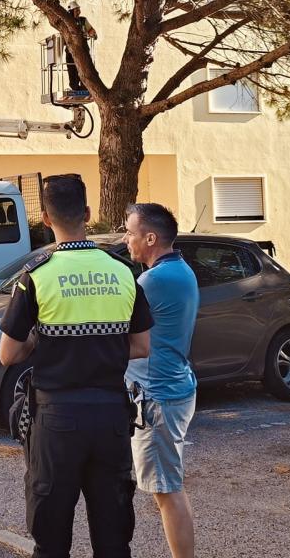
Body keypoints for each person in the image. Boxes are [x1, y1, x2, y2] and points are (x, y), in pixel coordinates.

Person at [0, 174, 152, 558]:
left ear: (47, 220)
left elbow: (8, 354)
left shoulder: (35, 276)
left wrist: (41, 340)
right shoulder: (124, 272)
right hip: (111, 417)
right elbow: (141, 346)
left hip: (56, 419)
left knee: (50, 540)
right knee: (114, 538)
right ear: (87, 213)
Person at [124, 203, 199, 558]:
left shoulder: (152, 281)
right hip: (172, 389)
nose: (126, 240)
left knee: (168, 492)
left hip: (157, 397)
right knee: (166, 488)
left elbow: (119, 330)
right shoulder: (181, 270)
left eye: (130, 232)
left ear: (150, 238)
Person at [64, 5, 97, 95]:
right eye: (76, 10)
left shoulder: (83, 20)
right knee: (72, 69)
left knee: (85, 68)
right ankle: (74, 87)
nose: (79, 12)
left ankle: (84, 87)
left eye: (79, 10)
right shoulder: (66, 21)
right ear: (71, 11)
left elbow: (90, 30)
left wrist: (93, 34)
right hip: (70, 50)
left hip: (83, 48)